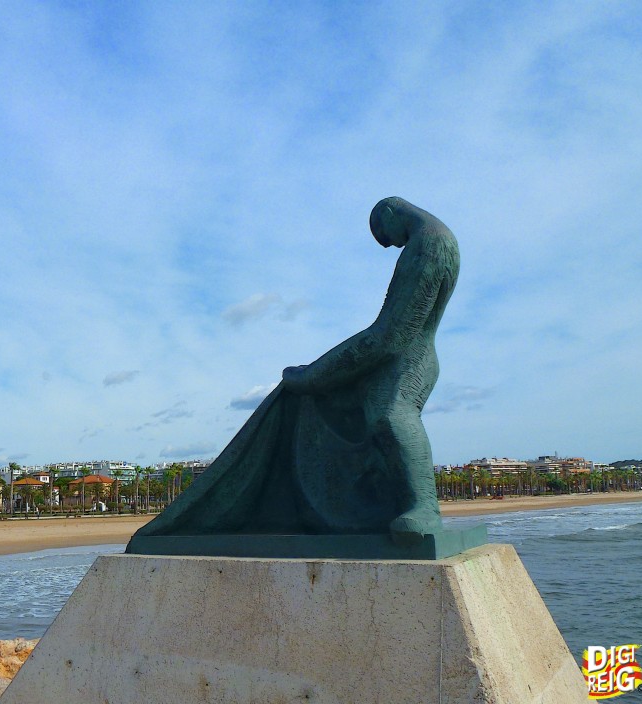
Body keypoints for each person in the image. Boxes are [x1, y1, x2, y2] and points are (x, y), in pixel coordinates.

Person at [128, 197, 459, 546]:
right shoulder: (433, 238)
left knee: (390, 415)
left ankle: (424, 508)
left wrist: (315, 373)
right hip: (408, 356)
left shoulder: (430, 242)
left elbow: (390, 336)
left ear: (390, 214)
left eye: (387, 237)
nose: (393, 244)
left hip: (409, 360)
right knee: (347, 414)